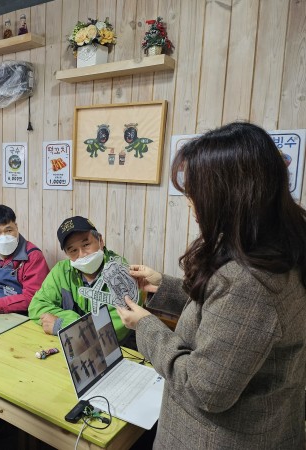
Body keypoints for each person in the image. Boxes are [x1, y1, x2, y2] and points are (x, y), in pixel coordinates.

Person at [116, 122, 306, 449]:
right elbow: (224, 317)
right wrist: (164, 287)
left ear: (232, 195)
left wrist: (146, 327)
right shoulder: (275, 249)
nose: (191, 205)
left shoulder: (252, 282)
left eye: (195, 194)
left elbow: (205, 389)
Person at [28, 216, 132, 345]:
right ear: (66, 253)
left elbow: (111, 330)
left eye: (86, 244)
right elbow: (36, 307)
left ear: (100, 241)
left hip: (117, 349)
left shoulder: (121, 273)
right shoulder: (62, 270)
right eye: (73, 250)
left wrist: (62, 324)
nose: (82, 254)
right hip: (71, 344)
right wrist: (76, 322)